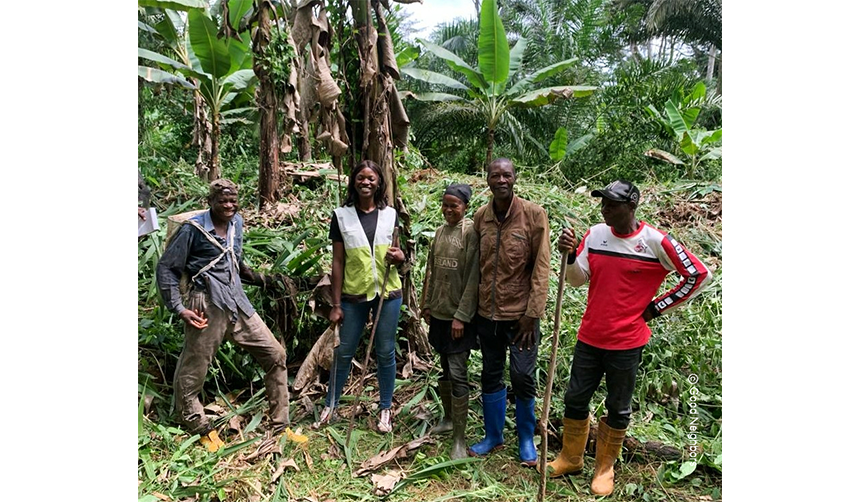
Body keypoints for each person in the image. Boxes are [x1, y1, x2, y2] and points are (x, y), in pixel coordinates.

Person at [545, 180, 712, 496]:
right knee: (575, 398)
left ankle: (604, 469)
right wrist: (568, 256)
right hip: (590, 336)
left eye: (611, 203)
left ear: (631, 206)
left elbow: (699, 273)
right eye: (603, 202)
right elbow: (578, 280)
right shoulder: (595, 235)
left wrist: (656, 307)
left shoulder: (655, 241)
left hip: (627, 342)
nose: (604, 208)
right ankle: (570, 457)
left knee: (618, 407)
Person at [156, 179, 290, 451]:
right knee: (194, 368)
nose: (228, 205)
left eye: (233, 200)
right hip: (204, 303)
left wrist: (263, 279)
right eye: (222, 201)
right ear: (210, 202)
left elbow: (234, 261)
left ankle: (280, 426)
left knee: (276, 355)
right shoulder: (193, 230)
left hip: (236, 302)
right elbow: (167, 268)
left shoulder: (237, 223)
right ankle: (198, 426)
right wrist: (180, 309)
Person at [468, 158, 551, 467]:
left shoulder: (533, 215)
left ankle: (527, 438)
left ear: (515, 178)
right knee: (490, 373)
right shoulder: (481, 217)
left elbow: (541, 268)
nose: (501, 180)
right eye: (495, 175)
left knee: (522, 375)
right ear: (487, 179)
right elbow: (475, 267)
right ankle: (493, 435)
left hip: (521, 317)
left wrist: (532, 313)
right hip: (487, 315)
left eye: (506, 175)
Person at [315, 160, 406, 433]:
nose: (366, 182)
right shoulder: (341, 216)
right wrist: (335, 303)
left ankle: (385, 409)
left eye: (371, 178)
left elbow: (398, 252)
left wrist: (400, 257)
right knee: (343, 352)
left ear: (379, 182)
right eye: (360, 178)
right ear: (353, 182)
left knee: (385, 352)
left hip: (387, 293)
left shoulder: (390, 214)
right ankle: (331, 404)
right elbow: (338, 262)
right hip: (354, 295)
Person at [420, 183, 479, 459]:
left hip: (459, 318)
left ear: (465, 206)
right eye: (445, 205)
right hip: (440, 314)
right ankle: (447, 418)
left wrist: (462, 316)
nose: (448, 210)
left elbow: (472, 279)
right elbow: (431, 270)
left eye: (454, 205)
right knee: (444, 368)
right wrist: (427, 303)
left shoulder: (470, 234)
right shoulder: (440, 233)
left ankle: (459, 438)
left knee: (458, 373)